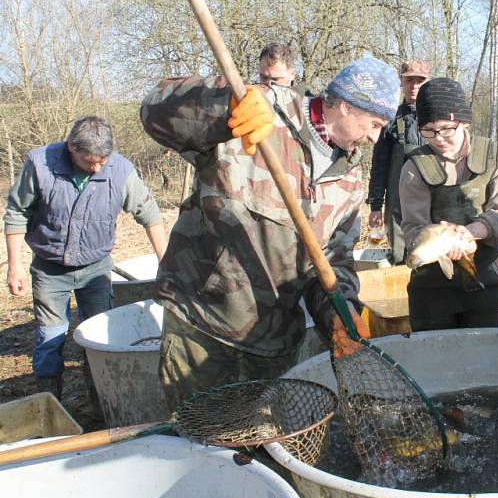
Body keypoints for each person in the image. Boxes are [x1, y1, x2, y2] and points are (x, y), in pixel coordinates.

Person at [140, 57, 398, 409]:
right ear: (347, 105)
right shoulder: (261, 110)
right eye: (374, 124)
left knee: (260, 450)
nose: (374, 137)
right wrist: (222, 106)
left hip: (274, 343)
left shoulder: (350, 181)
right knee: (201, 442)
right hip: (203, 325)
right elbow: (154, 111)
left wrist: (339, 311)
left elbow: (332, 264)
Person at [4, 116, 167, 399]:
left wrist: (166, 265)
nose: (97, 166)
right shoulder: (40, 164)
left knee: (99, 335)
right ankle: (49, 398)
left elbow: (151, 216)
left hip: (96, 268)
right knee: (50, 336)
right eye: (89, 161)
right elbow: (17, 213)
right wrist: (15, 265)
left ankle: (99, 397)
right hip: (49, 268)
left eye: (102, 160)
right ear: (70, 148)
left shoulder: (121, 171)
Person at [398, 78, 498, 331]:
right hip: (430, 287)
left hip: (483, 278)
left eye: (446, 128)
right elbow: (412, 228)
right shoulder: (414, 168)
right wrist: (442, 243)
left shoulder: (494, 156)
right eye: (428, 131)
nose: (438, 138)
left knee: (482, 357)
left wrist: (471, 233)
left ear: (464, 121)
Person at [367, 59, 430, 264]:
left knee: (430, 253)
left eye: (419, 81)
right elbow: (379, 165)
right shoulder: (390, 118)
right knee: (400, 257)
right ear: (401, 84)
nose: (414, 86)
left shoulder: (437, 116)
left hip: (432, 199)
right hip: (397, 203)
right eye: (409, 80)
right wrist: (376, 205)